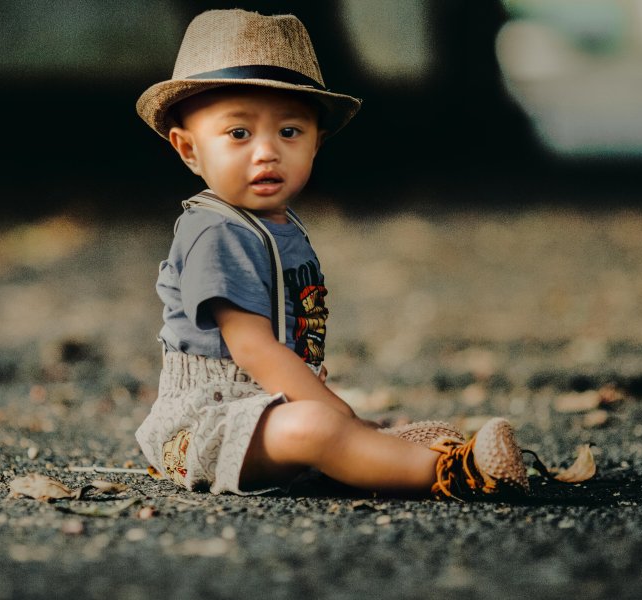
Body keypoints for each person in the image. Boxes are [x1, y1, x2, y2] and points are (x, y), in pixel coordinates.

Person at [134, 8, 530, 499]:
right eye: (239, 133)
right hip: (205, 427)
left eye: (289, 132)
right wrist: (333, 411)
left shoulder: (280, 227)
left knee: (325, 423)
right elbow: (252, 347)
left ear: (316, 143)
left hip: (267, 407)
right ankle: (452, 473)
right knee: (316, 428)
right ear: (188, 150)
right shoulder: (214, 231)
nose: (266, 152)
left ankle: (385, 450)